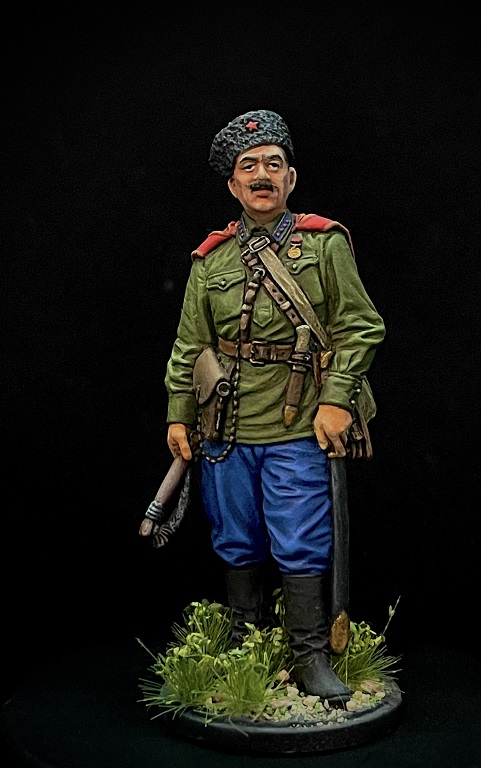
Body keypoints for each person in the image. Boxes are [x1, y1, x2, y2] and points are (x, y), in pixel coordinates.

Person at [164, 109, 385, 705]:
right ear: (233, 185)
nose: (262, 175)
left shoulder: (324, 243)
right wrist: (179, 413)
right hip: (226, 427)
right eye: (249, 166)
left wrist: (336, 400)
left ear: (290, 178)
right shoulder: (210, 260)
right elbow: (190, 343)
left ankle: (310, 655)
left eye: (273, 164)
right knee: (235, 536)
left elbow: (360, 325)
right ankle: (247, 642)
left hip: (299, 425)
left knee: (300, 535)